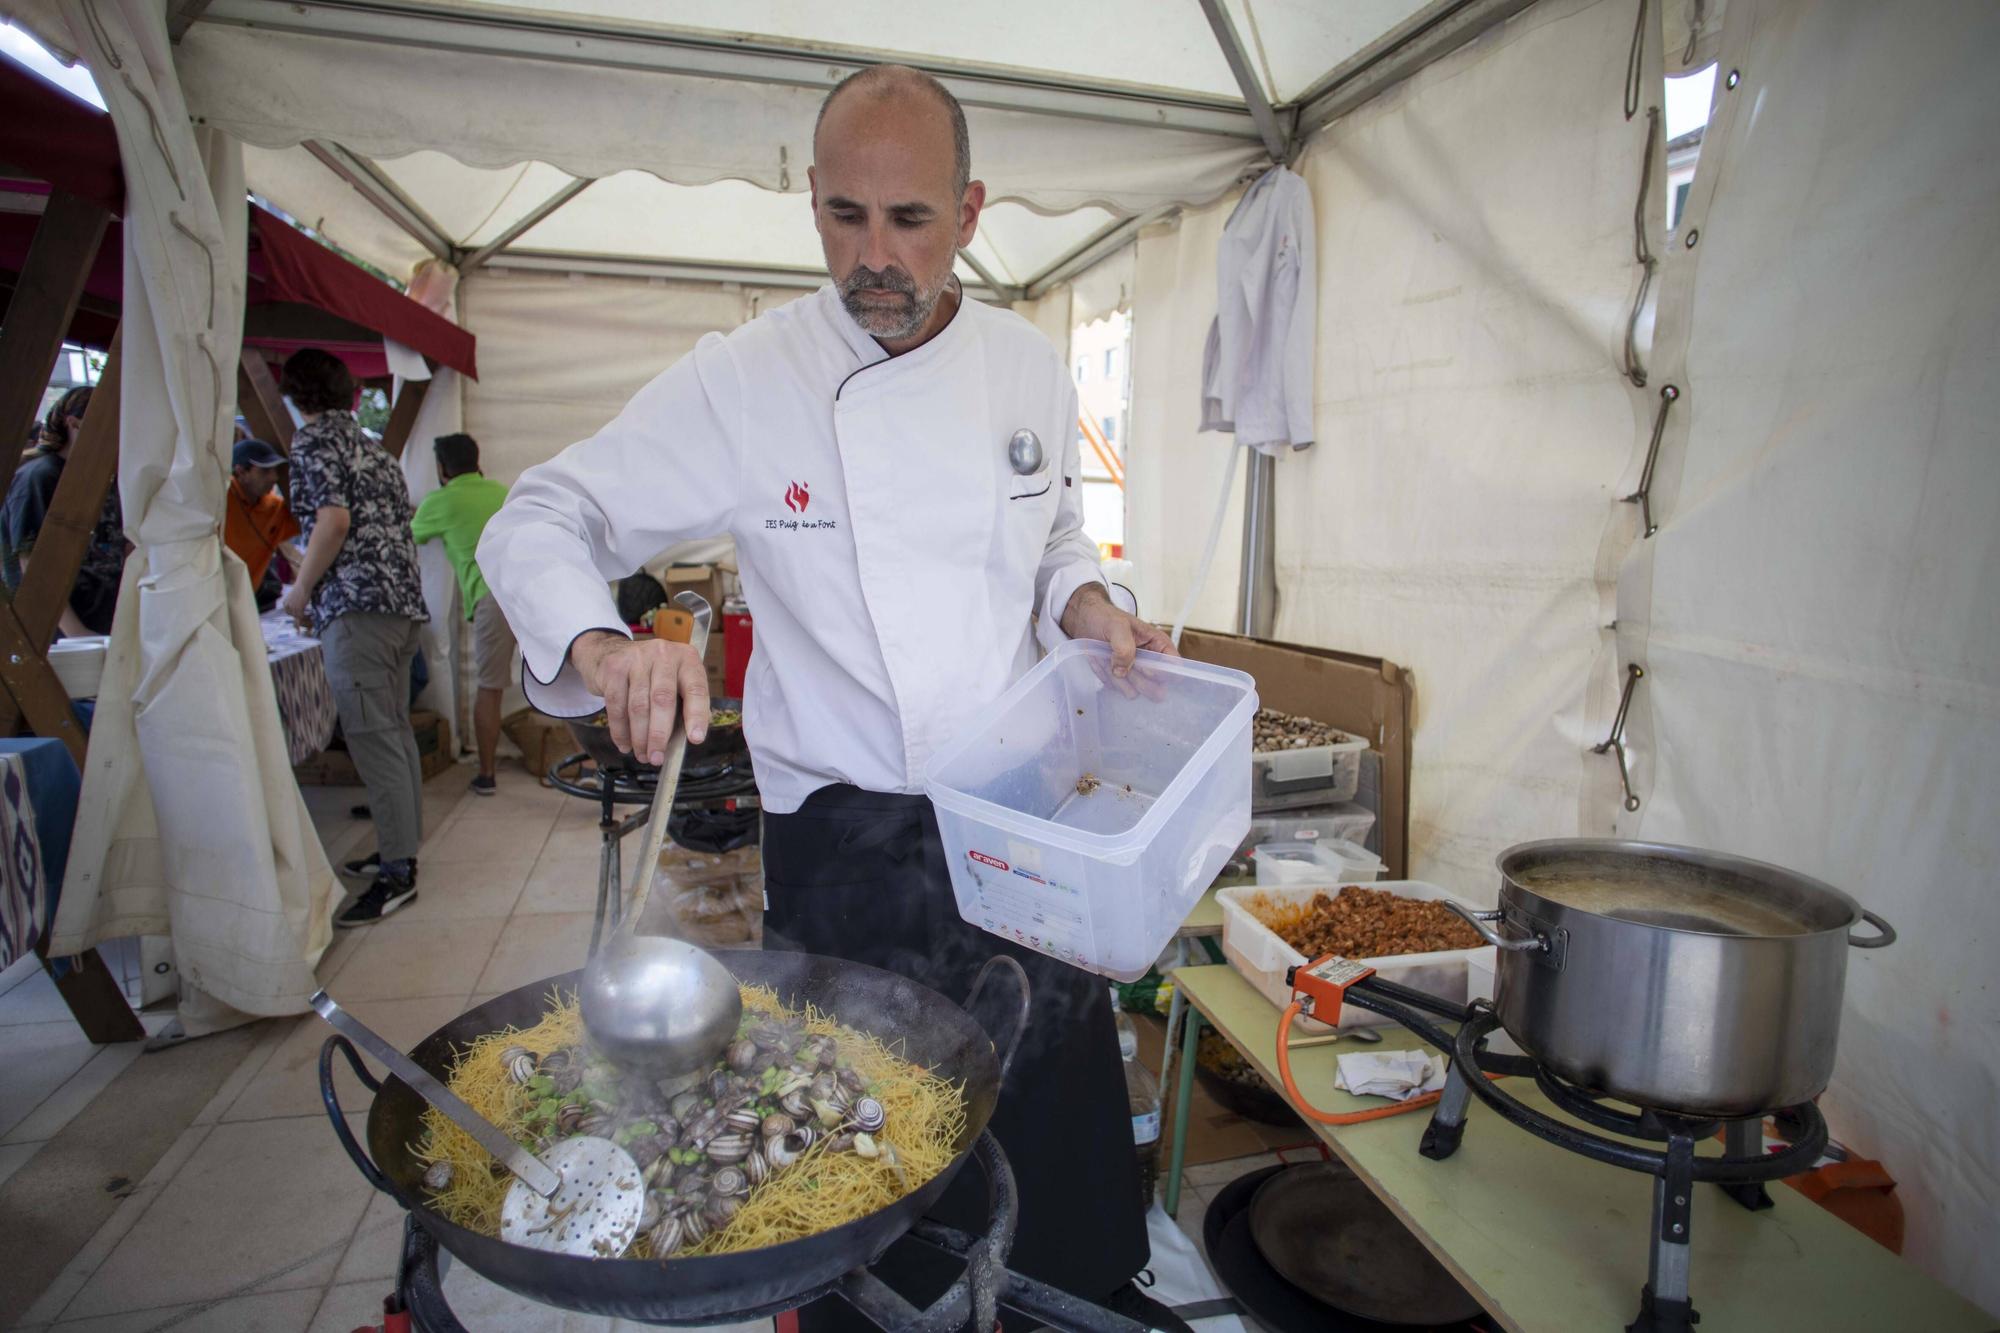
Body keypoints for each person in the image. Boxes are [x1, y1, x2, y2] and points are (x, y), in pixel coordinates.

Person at [480, 65, 1180, 1331]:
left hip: (1016, 815)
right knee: (870, 1163)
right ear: (808, 200)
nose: (873, 258)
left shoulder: (1026, 366)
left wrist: (1085, 603)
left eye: (907, 221)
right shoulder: (748, 378)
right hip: (848, 840)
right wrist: (601, 642)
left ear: (970, 213)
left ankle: (1065, 1299)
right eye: (842, 217)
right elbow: (545, 513)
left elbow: (1057, 535)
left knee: (1055, 1125)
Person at [278, 348, 430, 927]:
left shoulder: (316, 442)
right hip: (400, 606)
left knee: (374, 736)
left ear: (296, 395)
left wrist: (299, 591)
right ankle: (402, 850)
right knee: (393, 733)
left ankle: (398, 872)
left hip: (357, 608)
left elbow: (333, 521)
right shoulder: (374, 448)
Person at [410, 432, 514, 796]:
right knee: (560, 684)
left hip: (491, 597)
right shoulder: (502, 492)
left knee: (490, 688)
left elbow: (413, 535)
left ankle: (486, 775)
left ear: (441, 468)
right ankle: (589, 764)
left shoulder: (439, 501)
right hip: (530, 594)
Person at [0, 387, 127, 638]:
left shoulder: (104, 477)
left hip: (102, 624)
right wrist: (76, 633)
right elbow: (30, 562)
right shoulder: (39, 477)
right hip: (57, 636)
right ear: (73, 424)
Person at [223, 438, 303, 594]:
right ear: (241, 472)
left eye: (275, 470)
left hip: (244, 599)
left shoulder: (276, 508)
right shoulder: (220, 497)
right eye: (265, 471)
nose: (274, 477)